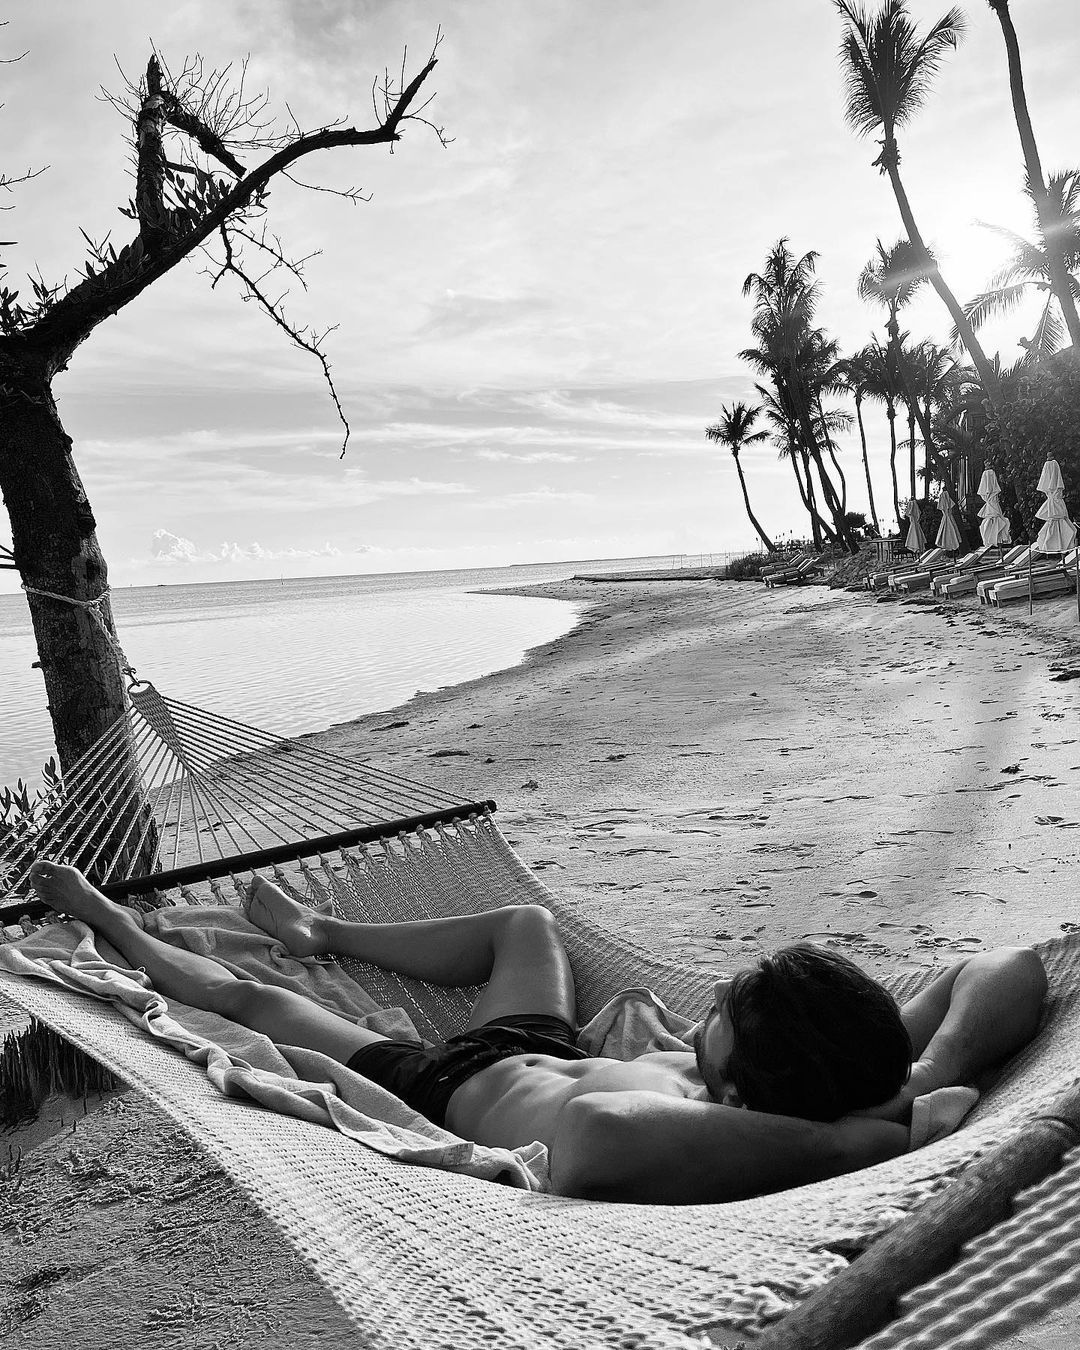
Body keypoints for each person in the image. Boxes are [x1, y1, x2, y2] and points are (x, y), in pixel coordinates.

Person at [28, 860, 1046, 1205]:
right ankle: (320, 930)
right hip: (541, 1044)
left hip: (434, 1081)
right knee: (527, 925)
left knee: (252, 1005)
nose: (710, 1003)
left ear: (740, 1087)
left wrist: (855, 1146)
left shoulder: (754, 1130)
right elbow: (1014, 966)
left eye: (722, 1016)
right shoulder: (853, 1068)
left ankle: (113, 924)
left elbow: (594, 1137)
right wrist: (933, 1069)